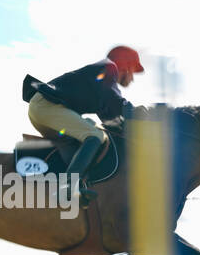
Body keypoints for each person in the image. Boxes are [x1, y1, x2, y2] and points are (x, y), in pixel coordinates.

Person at [21, 46, 143, 205]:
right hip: (46, 107)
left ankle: (79, 181)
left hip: (42, 108)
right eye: (133, 71)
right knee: (96, 136)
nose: (132, 78)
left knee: (94, 130)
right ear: (125, 65)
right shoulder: (109, 68)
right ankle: (66, 188)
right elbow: (115, 102)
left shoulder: (103, 75)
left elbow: (110, 115)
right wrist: (138, 113)